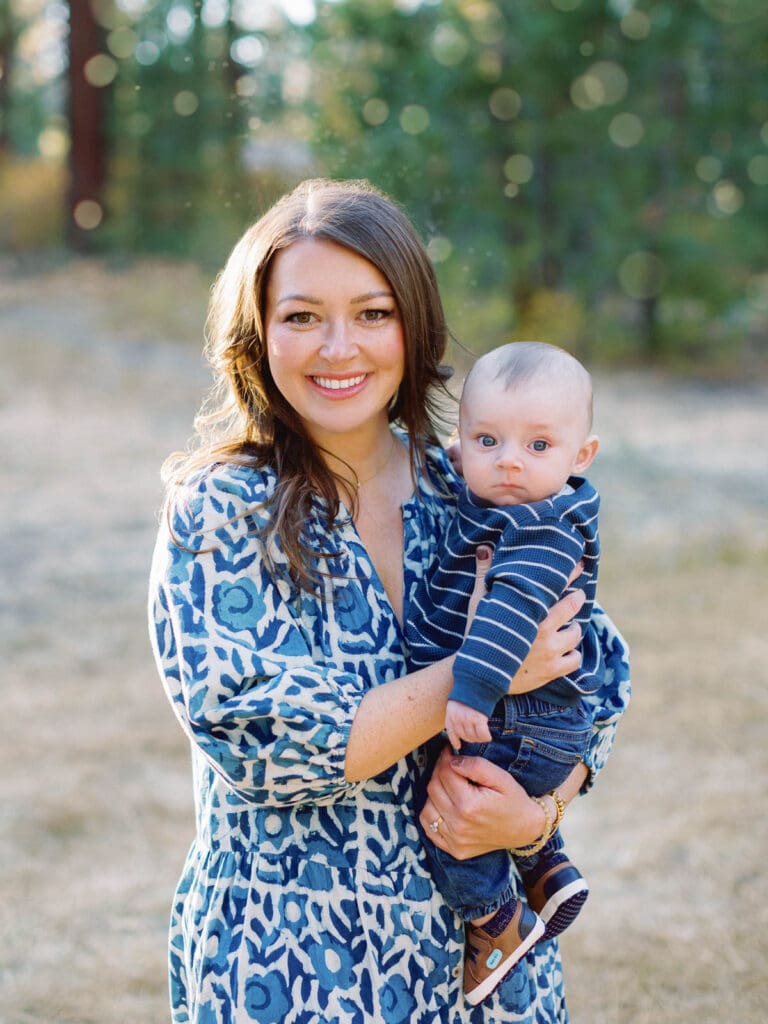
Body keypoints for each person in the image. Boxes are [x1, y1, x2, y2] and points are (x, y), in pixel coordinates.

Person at [148, 177, 631, 1024]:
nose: (340, 348)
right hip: (292, 964)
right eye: (302, 317)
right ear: (257, 334)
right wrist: (480, 675)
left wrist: (534, 814)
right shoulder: (220, 511)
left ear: (414, 324)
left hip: (482, 973)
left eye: (373, 313)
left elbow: (598, 668)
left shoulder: (473, 481)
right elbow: (265, 741)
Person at [407, 341, 606, 1005]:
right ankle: (547, 867)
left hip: (523, 717)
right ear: (459, 447)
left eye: (539, 445)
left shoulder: (540, 529)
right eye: (488, 439)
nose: (511, 460)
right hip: (537, 720)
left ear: (582, 457)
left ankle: (495, 920)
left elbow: (513, 612)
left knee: (447, 815)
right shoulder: (494, 507)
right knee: (487, 806)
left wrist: (471, 690)